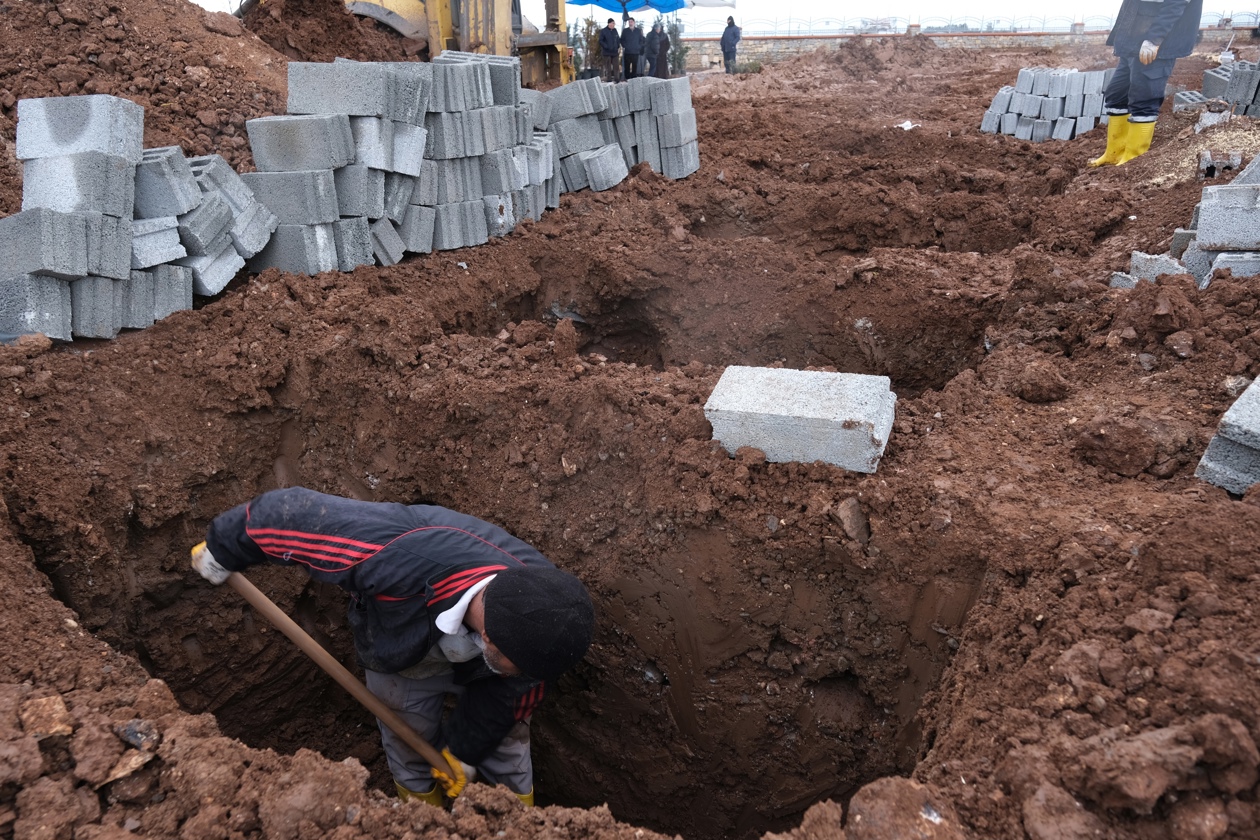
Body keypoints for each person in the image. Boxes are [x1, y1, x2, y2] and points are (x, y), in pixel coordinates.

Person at [189, 487, 595, 809]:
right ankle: (420, 818)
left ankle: (518, 823)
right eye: (517, 665)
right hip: (403, 638)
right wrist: (225, 546)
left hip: (478, 650)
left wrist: (466, 750)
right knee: (408, 735)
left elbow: (518, 687)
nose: (524, 675)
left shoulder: (546, 621)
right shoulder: (397, 552)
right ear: (491, 637)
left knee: (506, 740)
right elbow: (295, 514)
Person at [1089, 0, 1204, 166]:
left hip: (1154, 44)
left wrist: (1154, 39)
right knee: (1116, 95)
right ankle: (1114, 154)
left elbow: (1176, 4)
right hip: (1133, 41)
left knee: (1143, 99)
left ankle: (1132, 159)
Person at [621, 16, 644, 81]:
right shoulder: (625, 31)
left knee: (634, 66)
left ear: (634, 22)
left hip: (635, 52)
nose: (630, 23)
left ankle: (633, 80)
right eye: (629, 22)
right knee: (627, 67)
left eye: (631, 22)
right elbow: (622, 40)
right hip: (627, 52)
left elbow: (641, 40)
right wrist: (625, 46)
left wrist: (638, 47)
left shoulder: (638, 31)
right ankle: (627, 79)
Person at [599, 17, 620, 82]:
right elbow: (600, 41)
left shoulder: (615, 30)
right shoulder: (604, 31)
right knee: (608, 67)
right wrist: (606, 46)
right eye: (613, 23)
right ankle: (609, 79)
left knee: (616, 66)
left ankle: (617, 79)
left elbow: (618, 39)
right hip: (607, 52)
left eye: (614, 23)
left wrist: (618, 46)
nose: (614, 25)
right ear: (609, 23)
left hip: (615, 52)